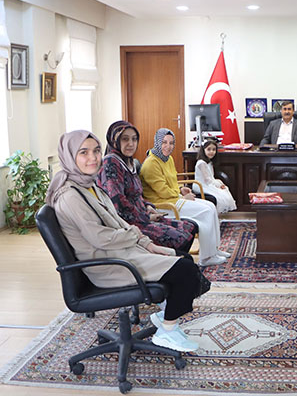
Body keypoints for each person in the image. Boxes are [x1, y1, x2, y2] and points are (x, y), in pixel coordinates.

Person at [46, 130, 210, 353]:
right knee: (185, 271)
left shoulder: (89, 186)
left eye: (96, 151)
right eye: (83, 152)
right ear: (69, 156)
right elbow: (100, 238)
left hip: (120, 251)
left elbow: (118, 221)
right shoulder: (70, 196)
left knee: (183, 258)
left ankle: (165, 315)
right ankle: (167, 331)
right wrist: (135, 236)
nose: (93, 158)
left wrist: (147, 244)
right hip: (107, 264)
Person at [96, 120, 198, 254]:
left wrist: (148, 206)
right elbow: (118, 204)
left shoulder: (128, 162)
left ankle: (174, 258)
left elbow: (137, 194)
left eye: (134, 139)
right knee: (178, 236)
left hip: (142, 215)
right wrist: (146, 216)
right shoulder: (111, 163)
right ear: (114, 141)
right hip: (129, 224)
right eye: (125, 139)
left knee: (190, 227)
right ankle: (173, 260)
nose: (131, 144)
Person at [139, 128, 228, 266]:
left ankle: (214, 249)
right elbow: (162, 191)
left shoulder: (168, 159)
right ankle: (206, 257)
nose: (168, 146)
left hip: (174, 199)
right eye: (164, 142)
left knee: (211, 206)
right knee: (206, 211)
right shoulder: (151, 163)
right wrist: (181, 197)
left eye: (171, 143)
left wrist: (181, 189)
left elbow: (171, 182)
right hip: (163, 205)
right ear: (157, 142)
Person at [193, 139, 237, 214]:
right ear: (203, 150)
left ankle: (218, 214)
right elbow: (207, 180)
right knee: (220, 195)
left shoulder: (209, 162)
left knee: (225, 190)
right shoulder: (201, 163)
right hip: (201, 185)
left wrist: (220, 183)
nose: (211, 152)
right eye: (209, 149)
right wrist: (218, 185)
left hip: (208, 183)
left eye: (214, 149)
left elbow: (211, 177)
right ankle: (215, 214)